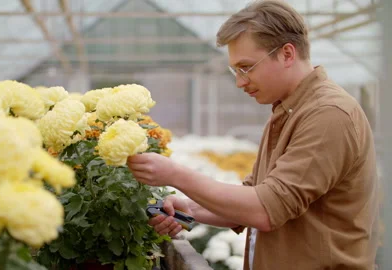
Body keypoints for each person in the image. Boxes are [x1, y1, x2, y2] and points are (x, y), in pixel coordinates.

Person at [126, 1, 379, 269]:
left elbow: (265, 210)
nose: (240, 81)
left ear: (287, 54)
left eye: (246, 67)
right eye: (235, 70)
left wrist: (175, 174)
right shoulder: (287, 110)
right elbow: (253, 197)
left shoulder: (328, 114)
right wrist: (191, 209)